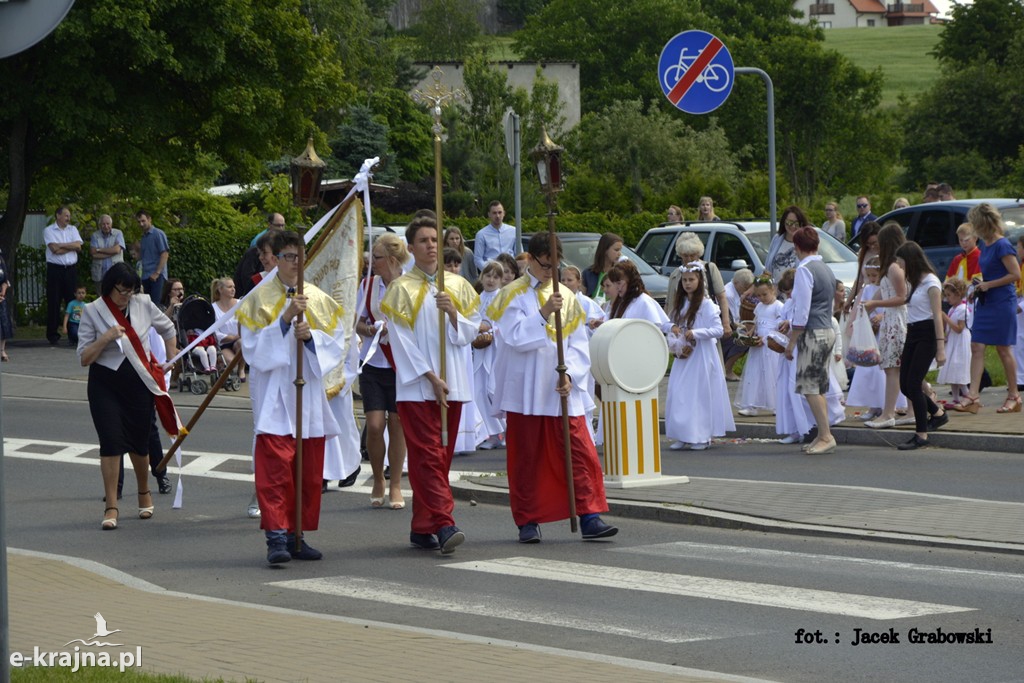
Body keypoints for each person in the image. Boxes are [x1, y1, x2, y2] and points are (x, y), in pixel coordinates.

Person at [488, 233, 618, 542]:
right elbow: (515, 338)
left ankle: (589, 515)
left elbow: (577, 344)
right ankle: (528, 520)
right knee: (527, 458)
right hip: (525, 391)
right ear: (530, 260)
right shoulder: (510, 295)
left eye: (555, 266)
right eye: (546, 266)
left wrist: (570, 374)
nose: (551, 272)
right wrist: (544, 312)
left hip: (560, 389)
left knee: (579, 452)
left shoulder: (567, 296)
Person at [237, 230, 346, 564]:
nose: (295, 263)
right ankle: (276, 537)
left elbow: (337, 343)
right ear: (275, 259)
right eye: (287, 257)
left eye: (300, 256)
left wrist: (311, 337)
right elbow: (253, 349)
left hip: (307, 395)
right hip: (275, 394)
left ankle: (297, 535)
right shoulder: (257, 299)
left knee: (305, 471)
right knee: (275, 471)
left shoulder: (318, 297)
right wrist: (284, 321)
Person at [381, 215, 480, 554]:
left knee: (442, 456)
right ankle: (444, 523)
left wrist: (453, 313)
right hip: (418, 387)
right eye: (424, 240)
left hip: (454, 383)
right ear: (410, 247)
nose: (431, 245)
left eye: (435, 240)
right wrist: (428, 376)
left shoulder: (456, 285)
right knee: (427, 457)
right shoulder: (400, 289)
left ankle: (422, 525)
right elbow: (401, 340)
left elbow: (471, 331)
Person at [77, 262, 178, 530]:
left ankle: (143, 492)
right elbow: (84, 357)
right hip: (104, 384)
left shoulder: (143, 303)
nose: (126, 297)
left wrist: (172, 358)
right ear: (110, 287)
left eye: (130, 291)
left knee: (139, 442)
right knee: (110, 442)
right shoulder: (92, 311)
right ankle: (111, 505)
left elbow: (168, 328)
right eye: (122, 291)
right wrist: (106, 338)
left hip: (138, 382)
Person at [356, 233, 410, 509]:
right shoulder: (368, 286)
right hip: (373, 363)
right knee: (375, 426)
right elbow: (358, 324)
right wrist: (372, 329)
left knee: (398, 424)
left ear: (390, 259)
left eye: (375, 257)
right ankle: (378, 478)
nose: (370, 261)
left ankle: (397, 484)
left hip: (401, 365)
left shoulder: (409, 285)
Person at [954, 203, 1021, 414]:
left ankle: (1014, 396)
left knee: (1003, 349)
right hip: (986, 301)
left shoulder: (1002, 245)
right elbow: (989, 273)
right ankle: (973, 396)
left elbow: (1015, 275)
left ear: (982, 223)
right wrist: (977, 287)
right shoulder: (986, 244)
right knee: (976, 346)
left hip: (1002, 302)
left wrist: (988, 285)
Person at [665, 262, 735, 450]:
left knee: (699, 395)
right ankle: (683, 433)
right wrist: (673, 331)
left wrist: (696, 333)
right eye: (685, 280)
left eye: (691, 280)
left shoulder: (707, 305)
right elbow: (667, 323)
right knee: (680, 393)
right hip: (685, 355)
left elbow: (718, 330)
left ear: (699, 281)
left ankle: (701, 436)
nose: (687, 284)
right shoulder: (680, 305)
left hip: (702, 355)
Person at [784, 227, 838, 455]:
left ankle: (826, 435)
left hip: (812, 332)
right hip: (826, 328)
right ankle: (823, 434)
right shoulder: (825, 267)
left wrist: (791, 342)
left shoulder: (805, 270)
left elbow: (802, 311)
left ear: (797, 247)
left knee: (809, 387)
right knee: (818, 386)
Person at [892, 241, 948, 450]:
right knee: (905, 384)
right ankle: (938, 413)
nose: (900, 267)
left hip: (927, 335)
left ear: (910, 261)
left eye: (901, 263)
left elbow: (937, 316)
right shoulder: (915, 281)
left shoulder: (931, 283)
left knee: (914, 384)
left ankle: (921, 434)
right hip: (913, 332)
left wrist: (940, 347)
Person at [862, 224, 908, 429]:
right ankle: (914, 409)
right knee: (898, 367)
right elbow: (884, 291)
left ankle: (888, 413)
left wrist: (875, 305)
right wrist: (869, 305)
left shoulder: (893, 267)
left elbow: (901, 297)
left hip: (895, 321)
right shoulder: (889, 266)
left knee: (892, 367)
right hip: (890, 320)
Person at [667, 232, 732, 337]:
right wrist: (669, 327)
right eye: (685, 255)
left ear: (698, 253)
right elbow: (669, 303)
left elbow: (722, 297)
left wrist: (725, 323)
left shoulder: (709, 268)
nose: (689, 259)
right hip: (682, 328)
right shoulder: (675, 274)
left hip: (706, 323)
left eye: (692, 255)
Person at [735, 274, 783, 418]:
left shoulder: (778, 306)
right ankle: (751, 405)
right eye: (759, 295)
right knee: (754, 374)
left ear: (773, 290)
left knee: (772, 374)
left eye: (765, 294)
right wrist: (751, 331)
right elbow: (757, 321)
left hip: (770, 345)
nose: (762, 298)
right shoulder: (759, 306)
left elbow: (780, 325)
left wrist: (767, 337)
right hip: (758, 346)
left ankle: (776, 404)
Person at [473, 261, 507, 450]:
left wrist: (491, 332)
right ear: (482, 277)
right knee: (479, 391)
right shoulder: (477, 298)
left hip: (495, 350)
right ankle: (492, 433)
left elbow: (504, 323)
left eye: (495, 277)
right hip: (480, 350)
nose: (491, 280)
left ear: (501, 280)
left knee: (493, 390)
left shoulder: (502, 298)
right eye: (488, 275)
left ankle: (506, 429)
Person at [44, 206, 83, 345]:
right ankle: (53, 335)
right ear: (58, 216)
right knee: (54, 301)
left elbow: (78, 246)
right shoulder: (49, 230)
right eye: (66, 215)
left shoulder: (73, 229)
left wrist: (62, 246)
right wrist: (70, 246)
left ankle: (74, 334)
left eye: (69, 215)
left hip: (70, 269)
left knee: (73, 302)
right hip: (55, 270)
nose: (68, 218)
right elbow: (54, 249)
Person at [604, 260, 671, 328]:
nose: (617, 287)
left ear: (630, 281)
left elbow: (657, 326)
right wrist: (603, 324)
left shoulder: (644, 301)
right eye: (614, 283)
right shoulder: (620, 301)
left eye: (619, 283)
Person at [938, 278, 971, 405]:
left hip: (960, 342)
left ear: (958, 294)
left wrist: (945, 317)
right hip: (953, 342)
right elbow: (951, 329)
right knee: (952, 369)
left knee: (959, 369)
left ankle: (968, 396)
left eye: (949, 295)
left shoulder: (963, 309)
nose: (947, 299)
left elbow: (959, 329)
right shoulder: (952, 309)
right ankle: (956, 398)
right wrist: (945, 336)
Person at [723, 268, 755, 382]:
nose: (746, 290)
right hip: (726, 329)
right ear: (736, 283)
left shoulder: (736, 291)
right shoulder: (729, 294)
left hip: (734, 326)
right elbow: (733, 319)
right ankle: (727, 370)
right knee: (746, 341)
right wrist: (747, 327)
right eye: (745, 286)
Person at [211, 277, 245, 382]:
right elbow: (213, 331)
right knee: (230, 362)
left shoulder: (241, 303)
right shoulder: (213, 307)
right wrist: (229, 337)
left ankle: (241, 369)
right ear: (220, 290)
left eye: (234, 287)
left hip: (238, 340)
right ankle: (222, 368)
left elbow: (246, 323)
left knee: (241, 343)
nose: (233, 289)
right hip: (223, 343)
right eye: (229, 287)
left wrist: (238, 336)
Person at [764, 205, 810, 282]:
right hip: (775, 291)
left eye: (796, 223)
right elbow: (767, 268)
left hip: (795, 291)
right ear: (783, 222)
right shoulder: (777, 239)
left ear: (802, 224)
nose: (792, 226)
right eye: (789, 222)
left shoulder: (806, 243)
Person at [581, 232, 624, 305]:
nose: (619, 254)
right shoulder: (588, 273)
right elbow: (582, 300)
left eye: (620, 250)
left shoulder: (620, 273)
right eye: (616, 250)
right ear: (605, 250)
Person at [473, 201, 516, 272]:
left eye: (500, 212)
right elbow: (477, 259)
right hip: (492, 274)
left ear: (504, 213)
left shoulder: (514, 231)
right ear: (489, 214)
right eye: (494, 213)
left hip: (510, 273)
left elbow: (519, 253)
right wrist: (490, 271)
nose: (497, 216)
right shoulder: (481, 234)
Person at [137, 210, 169, 301]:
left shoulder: (158, 234)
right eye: (139, 222)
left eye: (143, 221)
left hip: (156, 277)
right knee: (147, 305)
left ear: (149, 219)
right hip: (145, 276)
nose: (141, 224)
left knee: (155, 306)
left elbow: (165, 253)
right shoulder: (143, 237)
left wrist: (157, 273)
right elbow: (142, 257)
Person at [89, 214, 125, 285]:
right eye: (103, 224)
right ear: (100, 225)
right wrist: (111, 252)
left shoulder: (118, 233)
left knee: (116, 295)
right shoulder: (95, 235)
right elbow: (93, 254)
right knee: (101, 296)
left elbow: (117, 250)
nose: (106, 226)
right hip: (100, 274)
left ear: (111, 224)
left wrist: (99, 250)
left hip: (116, 273)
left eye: (108, 224)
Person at [0, 248, 14, 362]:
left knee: (3, 323)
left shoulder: (1, 261)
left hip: (1, 298)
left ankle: (2, 351)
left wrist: (4, 288)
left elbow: (5, 279)